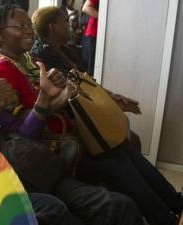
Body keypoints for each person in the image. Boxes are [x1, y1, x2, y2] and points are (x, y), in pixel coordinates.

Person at [0, 12, 144, 225]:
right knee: (58, 211)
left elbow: (21, 136)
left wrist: (43, 104)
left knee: (119, 206)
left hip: (26, 170)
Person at [29, 6, 183, 225]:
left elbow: (88, 84)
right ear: (52, 26)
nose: (70, 24)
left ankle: (175, 203)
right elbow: (72, 94)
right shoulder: (41, 56)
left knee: (126, 146)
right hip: (71, 129)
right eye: (64, 20)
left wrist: (113, 98)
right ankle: (163, 218)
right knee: (117, 159)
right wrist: (110, 103)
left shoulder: (67, 49)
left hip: (83, 120)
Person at [81, 0, 98, 76]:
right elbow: (86, 8)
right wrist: (104, 19)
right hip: (93, 34)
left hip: (94, 34)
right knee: (91, 71)